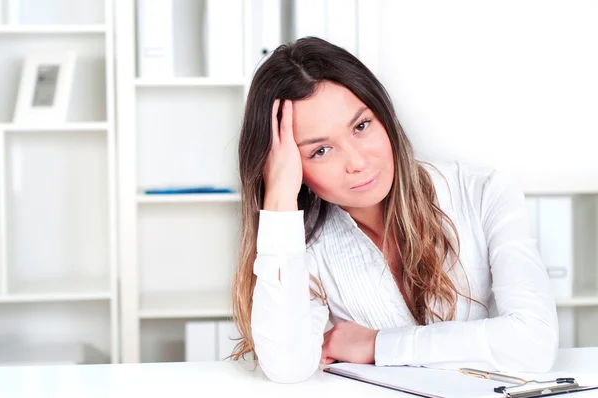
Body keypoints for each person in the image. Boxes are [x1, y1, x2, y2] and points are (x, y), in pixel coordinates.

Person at [230, 36, 558, 384]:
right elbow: (287, 367)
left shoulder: (481, 193)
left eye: (361, 126)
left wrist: (378, 345)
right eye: (320, 151)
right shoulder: (302, 243)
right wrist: (279, 199)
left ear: (384, 115)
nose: (357, 162)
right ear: (292, 166)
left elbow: (534, 342)